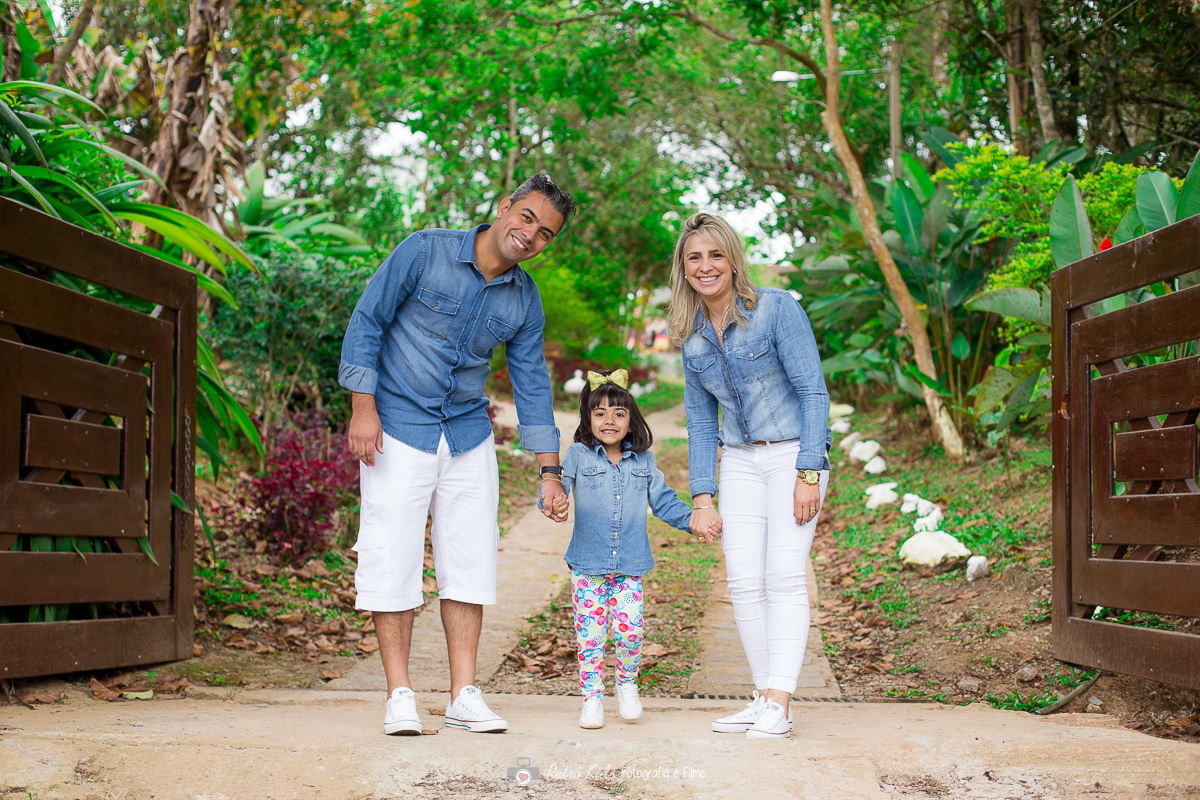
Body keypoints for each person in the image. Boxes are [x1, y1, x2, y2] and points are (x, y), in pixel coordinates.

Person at [339, 174, 575, 736]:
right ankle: (400, 695)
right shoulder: (425, 251)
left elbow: (532, 383)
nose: (530, 236)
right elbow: (367, 321)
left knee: (470, 565)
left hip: (468, 435)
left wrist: (549, 471)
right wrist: (362, 408)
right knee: (390, 556)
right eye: (526, 219)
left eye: (544, 234)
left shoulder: (525, 299)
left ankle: (464, 694)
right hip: (397, 424)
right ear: (504, 207)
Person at [666, 212, 832, 740]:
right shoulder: (690, 339)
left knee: (783, 575)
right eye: (695, 257)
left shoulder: (777, 309)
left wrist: (810, 469)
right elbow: (698, 422)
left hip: (790, 457)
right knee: (742, 582)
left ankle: (780, 702)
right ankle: (764, 696)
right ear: (684, 268)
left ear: (733, 258)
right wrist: (702, 496)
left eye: (716, 254)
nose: (706, 266)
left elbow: (813, 392)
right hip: (738, 461)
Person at [544, 369, 716, 729]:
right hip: (587, 565)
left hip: (630, 566)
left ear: (631, 420)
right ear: (587, 418)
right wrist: (555, 502)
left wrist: (693, 521)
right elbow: (558, 487)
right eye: (600, 413)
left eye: (619, 414)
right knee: (590, 635)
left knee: (629, 632)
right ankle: (592, 699)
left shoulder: (644, 461)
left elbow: (665, 501)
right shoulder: (577, 455)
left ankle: (626, 686)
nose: (610, 421)